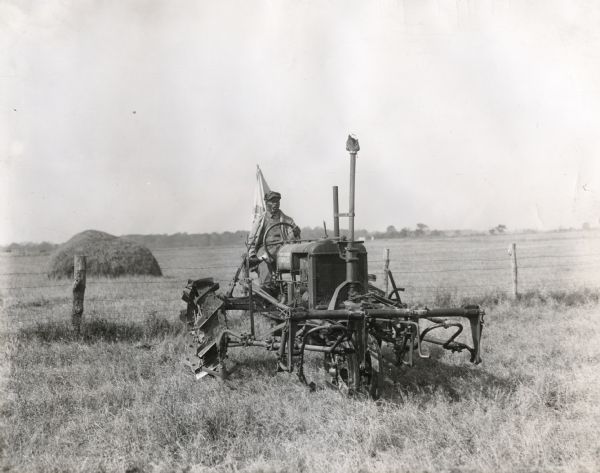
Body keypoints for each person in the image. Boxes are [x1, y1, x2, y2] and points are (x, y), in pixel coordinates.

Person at [247, 190, 301, 290]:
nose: (275, 204)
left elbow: (292, 240)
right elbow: (252, 239)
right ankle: (267, 288)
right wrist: (252, 255)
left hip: (282, 249)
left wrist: (295, 233)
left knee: (272, 253)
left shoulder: (288, 220)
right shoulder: (260, 220)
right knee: (263, 261)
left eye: (277, 201)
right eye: (272, 201)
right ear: (266, 203)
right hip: (264, 247)